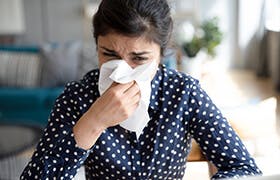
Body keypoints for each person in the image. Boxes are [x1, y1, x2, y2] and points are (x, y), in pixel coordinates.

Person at [21, 0, 262, 179]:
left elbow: (244, 168)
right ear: (96, 47)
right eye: (109, 54)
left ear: (161, 55)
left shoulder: (183, 93)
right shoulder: (78, 98)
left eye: (139, 58)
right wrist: (93, 123)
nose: (121, 71)